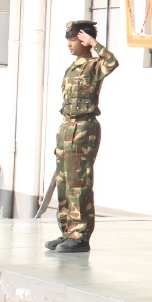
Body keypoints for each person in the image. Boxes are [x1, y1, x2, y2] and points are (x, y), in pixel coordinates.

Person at [44, 19, 119, 253]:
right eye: (68, 40)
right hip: (67, 127)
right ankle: (67, 230)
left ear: (84, 40)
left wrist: (94, 43)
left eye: (73, 40)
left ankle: (80, 235)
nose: (69, 44)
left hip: (84, 127)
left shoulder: (94, 65)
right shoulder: (73, 66)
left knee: (79, 183)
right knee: (64, 182)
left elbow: (112, 62)